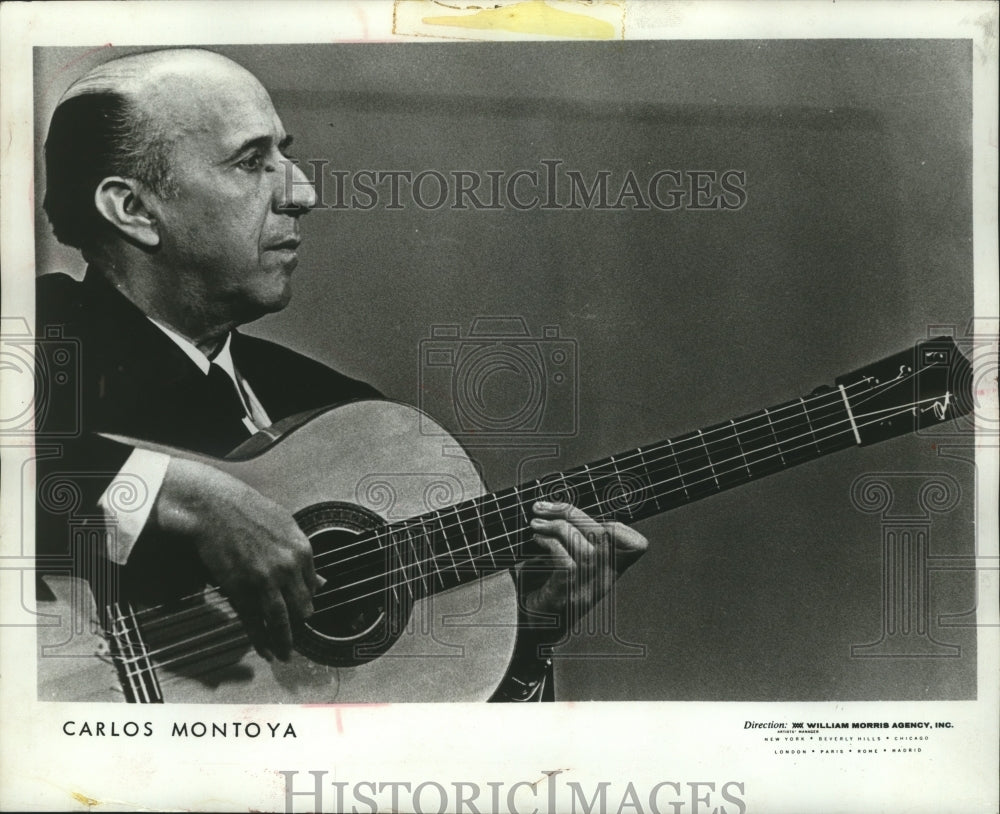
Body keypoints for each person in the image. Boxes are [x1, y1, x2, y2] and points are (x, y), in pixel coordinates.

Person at [35, 48, 649, 701]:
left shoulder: (340, 419)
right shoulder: (38, 339)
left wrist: (531, 635)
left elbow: (421, 756)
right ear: (133, 208)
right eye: (251, 162)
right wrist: (199, 500)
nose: (303, 192)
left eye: (286, 155)